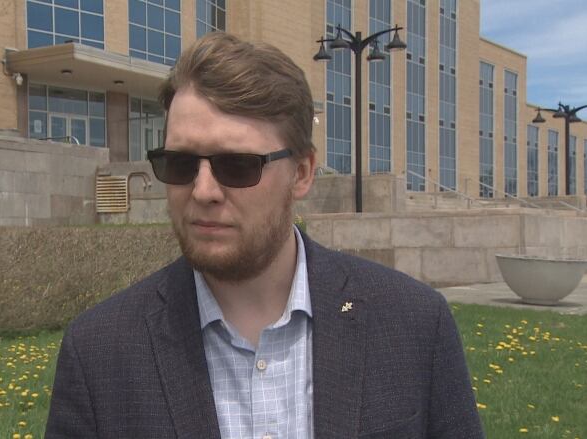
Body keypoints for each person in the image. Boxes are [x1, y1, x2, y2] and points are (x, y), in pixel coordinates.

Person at [45, 32, 484, 439]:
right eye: (179, 164)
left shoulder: (414, 324)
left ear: (303, 172)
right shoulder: (99, 351)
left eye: (237, 166)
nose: (202, 191)